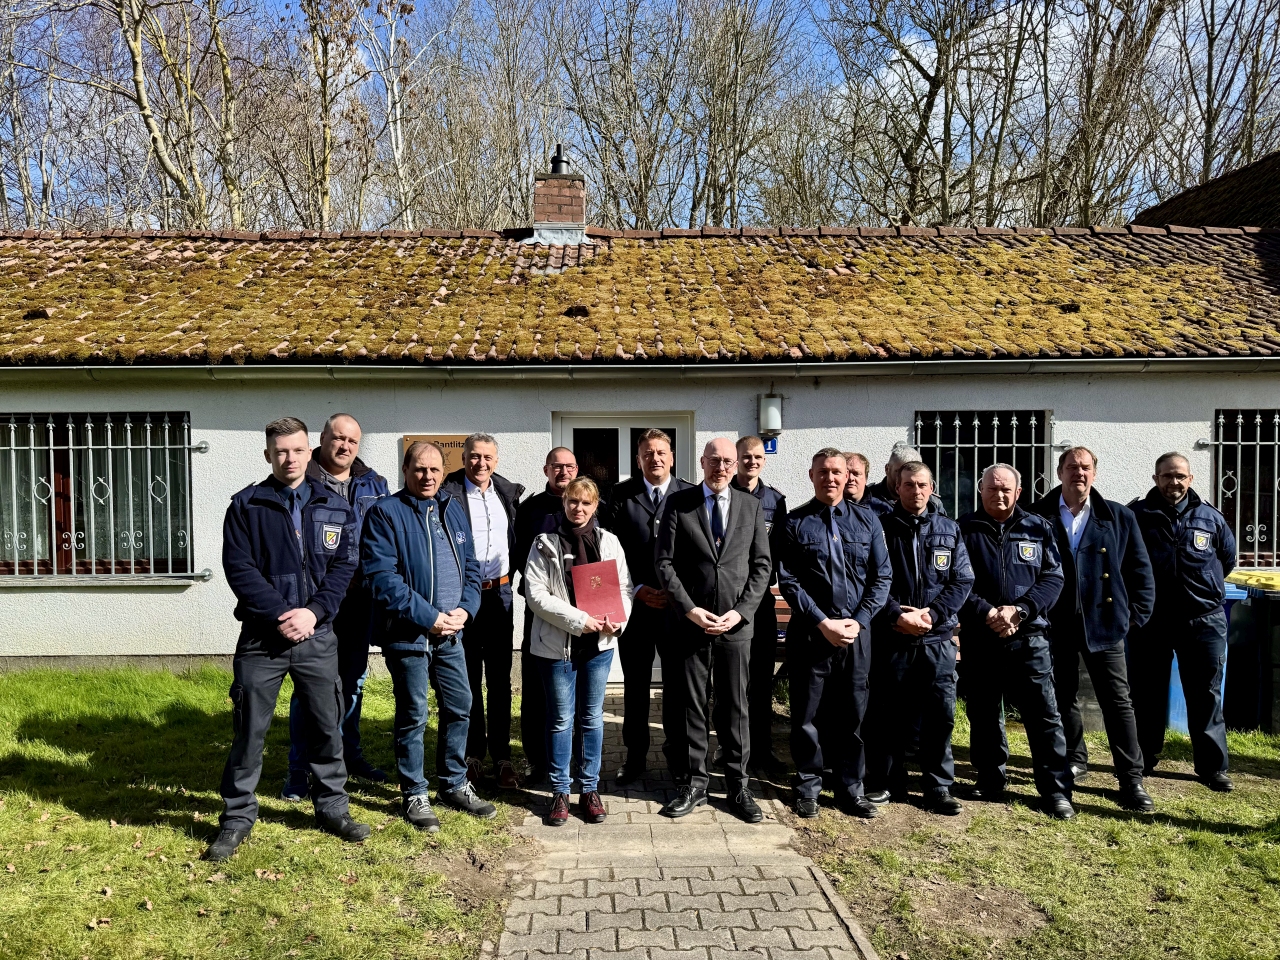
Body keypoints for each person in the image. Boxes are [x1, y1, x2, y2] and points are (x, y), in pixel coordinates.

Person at [208, 417, 370, 862]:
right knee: (249, 731)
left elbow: (344, 567)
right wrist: (282, 614)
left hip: (317, 637)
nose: (290, 458)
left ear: (309, 452)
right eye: (280, 451)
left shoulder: (336, 506)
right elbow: (240, 570)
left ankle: (333, 807)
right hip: (263, 639)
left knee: (325, 726)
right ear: (267, 455)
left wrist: (312, 613)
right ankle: (237, 817)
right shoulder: (246, 506)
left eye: (297, 450)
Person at [362, 441, 496, 832]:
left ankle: (453, 783)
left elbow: (472, 567)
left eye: (435, 470)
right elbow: (382, 579)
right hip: (409, 635)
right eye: (420, 469)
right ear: (406, 470)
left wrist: (466, 610)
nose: (428, 477)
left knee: (461, 707)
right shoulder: (385, 513)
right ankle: (415, 792)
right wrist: (429, 617)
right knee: (414, 715)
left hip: (452, 634)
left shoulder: (452, 511)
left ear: (444, 472)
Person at [1031, 446, 1157, 812]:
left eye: (1085, 468)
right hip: (1056, 624)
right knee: (1063, 697)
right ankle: (1075, 758)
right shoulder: (1037, 515)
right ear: (1059, 473)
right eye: (1072, 467)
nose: (1079, 474)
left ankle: (1131, 779)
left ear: (1095, 474)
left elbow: (1140, 569)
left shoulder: (1118, 516)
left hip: (1106, 623)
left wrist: (1136, 616)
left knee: (1118, 703)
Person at [654, 438, 773, 822]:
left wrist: (741, 613)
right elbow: (665, 564)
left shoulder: (751, 506)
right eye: (714, 460)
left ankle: (738, 785)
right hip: (691, 626)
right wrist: (689, 610)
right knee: (692, 707)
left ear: (736, 464)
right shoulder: (678, 503)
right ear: (702, 462)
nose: (720, 467)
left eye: (727, 461)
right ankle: (694, 783)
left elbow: (761, 567)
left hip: (735, 628)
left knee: (736, 707)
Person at [777, 448, 892, 819]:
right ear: (811, 475)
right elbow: (790, 581)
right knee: (807, 716)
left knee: (852, 716)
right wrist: (822, 622)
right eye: (823, 472)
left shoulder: (868, 521)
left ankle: (849, 788)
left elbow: (882, 576)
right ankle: (808, 785)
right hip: (812, 635)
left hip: (856, 636)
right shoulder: (795, 523)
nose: (830, 478)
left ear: (848, 476)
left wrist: (858, 621)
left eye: (837, 472)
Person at [282, 413, 390, 801]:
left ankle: (347, 756)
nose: (344, 446)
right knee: (309, 687)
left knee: (354, 681)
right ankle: (298, 770)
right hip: (314, 600)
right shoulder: (299, 479)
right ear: (321, 439)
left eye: (352, 441)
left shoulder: (374, 483)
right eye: (338, 438)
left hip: (360, 598)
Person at [958, 464, 1075, 820]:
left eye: (1006, 489)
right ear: (981, 490)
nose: (999, 495)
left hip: (1030, 636)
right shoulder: (963, 529)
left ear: (1019, 491)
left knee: (1044, 714)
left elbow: (1053, 577)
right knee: (983, 711)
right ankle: (991, 778)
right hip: (982, 635)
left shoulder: (1038, 527)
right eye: (992, 488)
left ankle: (1055, 790)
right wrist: (986, 612)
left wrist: (1020, 610)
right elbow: (957, 580)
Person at [865, 462, 973, 815]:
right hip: (894, 639)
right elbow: (873, 582)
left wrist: (932, 615)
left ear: (932, 488)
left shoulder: (949, 529)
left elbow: (962, 580)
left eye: (922, 485)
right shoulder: (879, 528)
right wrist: (898, 615)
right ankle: (886, 782)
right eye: (908, 484)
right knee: (888, 716)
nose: (916, 491)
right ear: (897, 488)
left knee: (939, 716)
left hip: (937, 640)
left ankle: (938, 787)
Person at [525, 477, 634, 825]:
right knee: (560, 719)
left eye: (586, 503)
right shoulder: (545, 543)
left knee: (590, 718)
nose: (578, 508)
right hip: (557, 648)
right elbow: (536, 595)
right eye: (573, 501)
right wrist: (579, 620)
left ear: (596, 505)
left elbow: (626, 589)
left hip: (599, 646)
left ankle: (589, 789)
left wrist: (619, 621)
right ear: (564, 503)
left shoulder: (610, 542)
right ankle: (559, 791)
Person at [1129, 452, 1236, 792]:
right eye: (1166, 476)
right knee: (1146, 693)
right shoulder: (1136, 516)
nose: (1173, 482)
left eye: (1179, 476)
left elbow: (1227, 559)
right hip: (1151, 620)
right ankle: (1143, 759)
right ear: (1155, 478)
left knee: (1205, 694)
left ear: (1190, 479)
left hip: (1203, 620)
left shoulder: (1211, 518)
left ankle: (1212, 768)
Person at [599, 429, 694, 785]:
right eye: (647, 453)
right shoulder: (620, 495)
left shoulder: (688, 494)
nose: (654, 458)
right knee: (636, 687)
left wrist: (677, 593)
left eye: (660, 452)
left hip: (676, 609)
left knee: (677, 685)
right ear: (637, 460)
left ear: (671, 457)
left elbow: (696, 553)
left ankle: (678, 759)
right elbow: (610, 552)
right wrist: (635, 589)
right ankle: (635, 757)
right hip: (636, 606)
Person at [442, 433, 526, 789]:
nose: (481, 464)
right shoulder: (448, 494)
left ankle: (502, 756)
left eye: (487, 457)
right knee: (469, 677)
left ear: (497, 459)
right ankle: (474, 754)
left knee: (500, 680)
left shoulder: (506, 495)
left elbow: (518, 542)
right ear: (464, 458)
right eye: (474, 457)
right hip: (464, 597)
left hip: (501, 595)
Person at [512, 446, 579, 785]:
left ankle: (579, 759)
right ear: (546, 469)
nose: (563, 472)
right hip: (539, 611)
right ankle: (538, 760)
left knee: (578, 687)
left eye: (569, 466)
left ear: (576, 468)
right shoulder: (529, 511)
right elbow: (516, 558)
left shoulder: (590, 506)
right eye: (557, 466)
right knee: (538, 687)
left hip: (581, 613)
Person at [730, 435, 789, 778]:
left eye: (757, 456)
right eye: (745, 456)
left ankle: (762, 751)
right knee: (729, 683)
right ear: (736, 459)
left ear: (763, 461)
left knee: (761, 683)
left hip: (761, 603)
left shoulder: (775, 501)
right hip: (726, 601)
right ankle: (729, 748)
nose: (751, 461)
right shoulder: (724, 495)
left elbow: (776, 553)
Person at [865, 442, 946, 515]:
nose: (906, 478)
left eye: (913, 474)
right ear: (887, 469)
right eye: (899, 471)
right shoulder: (867, 499)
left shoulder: (932, 502)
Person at [842, 452, 889, 516]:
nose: (850, 478)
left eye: (856, 473)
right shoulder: (827, 507)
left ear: (866, 478)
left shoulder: (883, 510)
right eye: (845, 473)